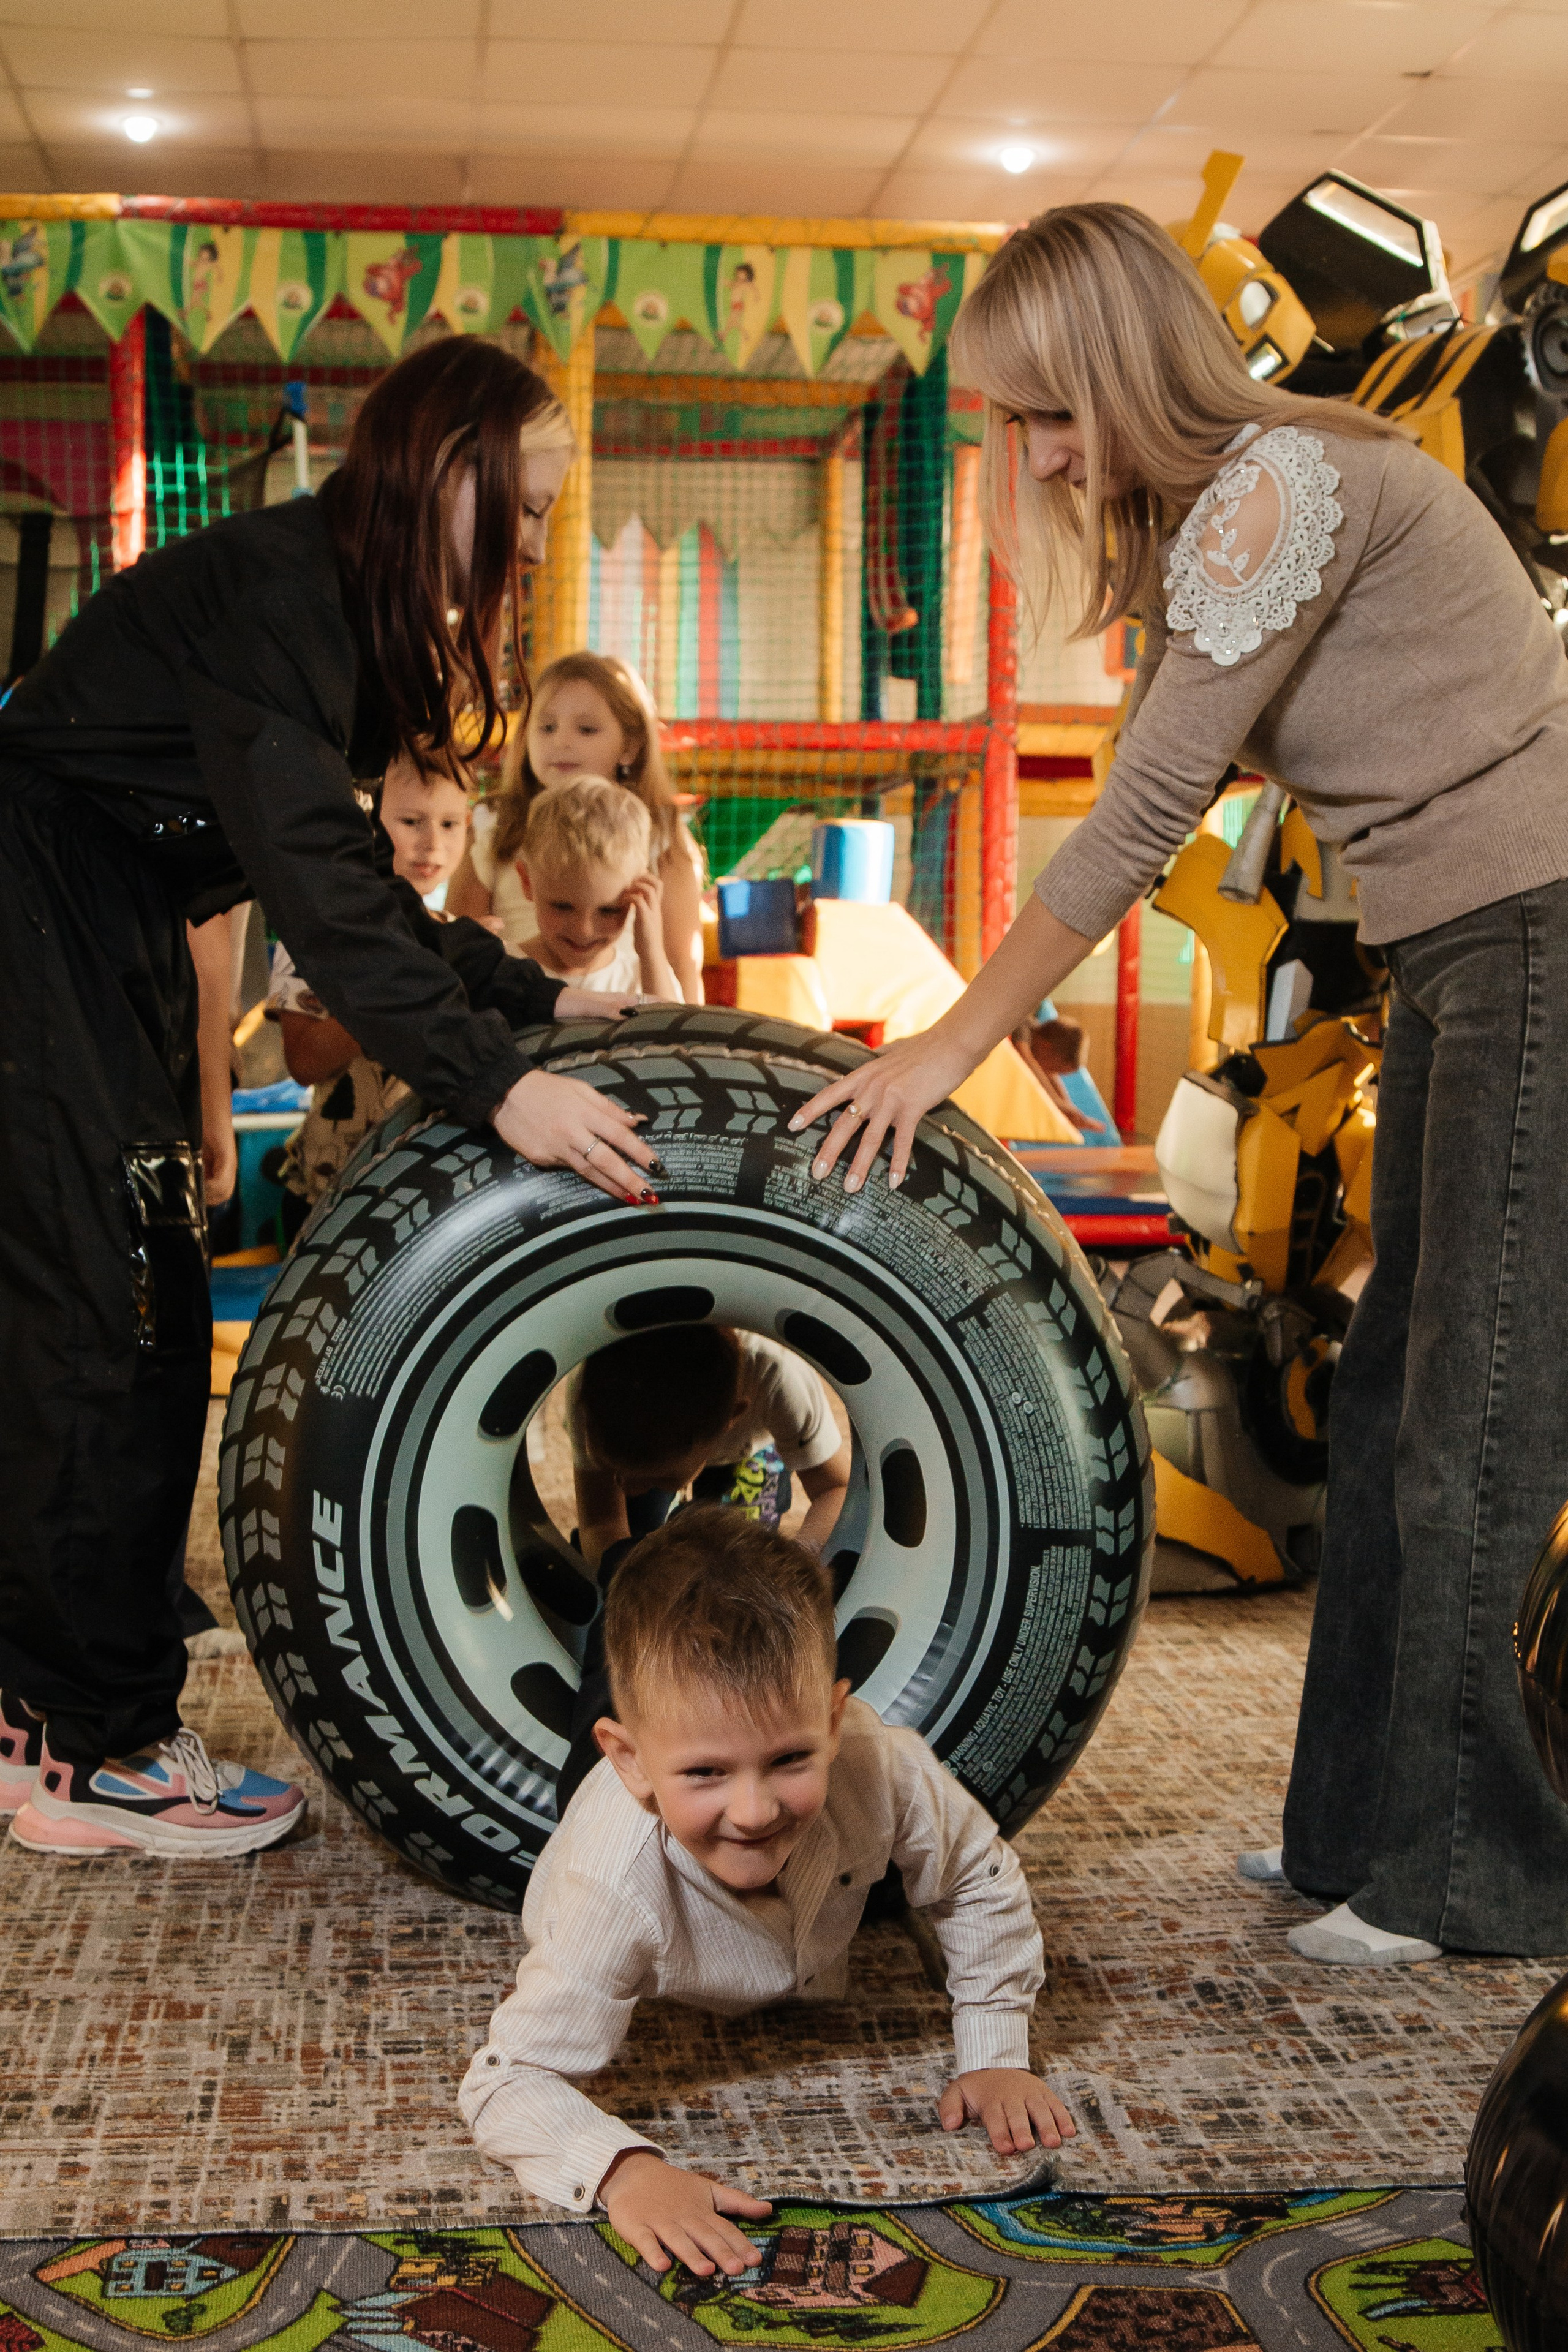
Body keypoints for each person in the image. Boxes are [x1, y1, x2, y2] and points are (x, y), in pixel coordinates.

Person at [793, 202, 1568, 1966]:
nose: (1039, 452)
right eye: (1017, 420)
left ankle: (1481, 1883)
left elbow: (1144, 814)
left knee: (1489, 1414)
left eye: (1054, 410)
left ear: (1133, 370)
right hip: (1467, 943)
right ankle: (1357, 1838)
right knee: (1389, 1403)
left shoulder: (1282, 486)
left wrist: (951, 1042)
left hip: (1540, 930)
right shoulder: (1244, 509)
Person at [0, 335, 662, 1862]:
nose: (544, 541)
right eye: (534, 504)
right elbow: (324, 888)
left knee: (147, 1290)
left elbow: (355, 888)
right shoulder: (284, 592)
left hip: (108, 916)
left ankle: (72, 1714)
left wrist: (537, 996)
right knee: (99, 1309)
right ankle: (78, 1747)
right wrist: (500, 1088)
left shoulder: (355, 609)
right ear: (454, 475)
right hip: (37, 899)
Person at [459, 1507, 1072, 2267]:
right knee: (610, 1666)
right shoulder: (606, 1884)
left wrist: (993, 2046)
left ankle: (643, 1581)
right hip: (609, 1800)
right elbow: (505, 2080)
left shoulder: (878, 1763)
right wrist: (622, 2171)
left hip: (723, 1774)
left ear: (834, 1719)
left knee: (699, 1715)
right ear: (634, 1762)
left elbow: (977, 1874)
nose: (753, 1812)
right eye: (707, 1773)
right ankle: (618, 1549)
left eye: (789, 1760)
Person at [269, 748, 474, 1223]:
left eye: (449, 824)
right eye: (410, 821)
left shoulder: (460, 940)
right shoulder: (313, 934)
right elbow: (303, 1060)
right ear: (366, 825)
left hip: (426, 1190)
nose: (432, 843)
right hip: (331, 1191)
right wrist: (395, 995)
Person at [450, 650, 706, 1000]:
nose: (562, 741)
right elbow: (459, 939)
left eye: (586, 729)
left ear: (630, 746)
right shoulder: (496, 821)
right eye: (547, 727)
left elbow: (683, 963)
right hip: (519, 996)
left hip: (625, 999)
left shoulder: (659, 830)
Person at [569, 1324, 852, 1566]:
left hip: (750, 1444)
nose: (629, 1489)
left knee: (739, 1550)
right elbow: (601, 1522)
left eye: (657, 1477)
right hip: (685, 1441)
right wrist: (624, 1573)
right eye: (614, 1468)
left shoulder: (778, 1373)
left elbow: (836, 1488)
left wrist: (797, 1562)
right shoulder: (589, 1386)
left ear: (733, 1419)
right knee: (635, 1542)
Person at [513, 774, 680, 1000]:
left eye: (609, 910)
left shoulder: (647, 977)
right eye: (562, 907)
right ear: (527, 882)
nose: (584, 930)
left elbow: (670, 1034)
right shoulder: (500, 970)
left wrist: (651, 952)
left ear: (642, 892)